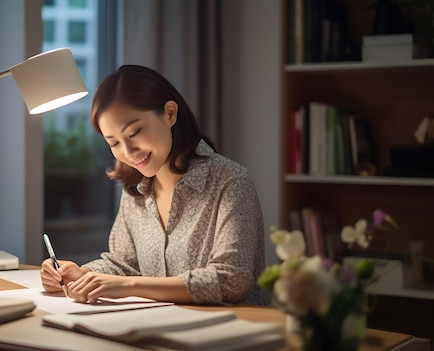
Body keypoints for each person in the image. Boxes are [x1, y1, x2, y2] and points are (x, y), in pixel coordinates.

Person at [40, 64, 268, 306]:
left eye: (135, 132)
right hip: (158, 330)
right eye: (114, 143)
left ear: (170, 113)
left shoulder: (231, 182)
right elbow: (124, 264)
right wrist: (81, 274)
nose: (128, 152)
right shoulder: (136, 187)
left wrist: (128, 286)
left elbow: (231, 280)